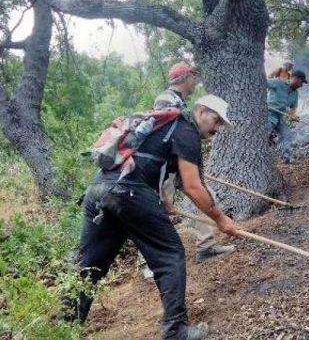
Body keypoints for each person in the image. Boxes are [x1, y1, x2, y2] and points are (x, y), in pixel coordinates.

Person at [77, 95, 239, 339]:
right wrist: (220, 219)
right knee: (170, 255)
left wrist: (164, 202)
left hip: (99, 190)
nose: (217, 129)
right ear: (202, 111)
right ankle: (176, 330)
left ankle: (62, 327)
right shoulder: (186, 131)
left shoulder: (164, 125)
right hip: (129, 193)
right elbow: (193, 186)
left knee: (88, 266)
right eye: (216, 121)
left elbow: (154, 163)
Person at [153, 62, 236, 264]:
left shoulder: (182, 103)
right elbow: (166, 133)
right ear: (184, 78)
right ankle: (148, 261)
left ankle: (206, 245)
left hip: (173, 163)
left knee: (208, 195)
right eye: (192, 77)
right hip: (159, 167)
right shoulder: (166, 98)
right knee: (154, 209)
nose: (194, 82)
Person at [266, 70, 308, 163]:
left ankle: (286, 157)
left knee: (287, 133)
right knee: (265, 132)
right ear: (296, 78)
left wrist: (294, 116)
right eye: (301, 82)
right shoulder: (278, 82)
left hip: (280, 117)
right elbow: (262, 83)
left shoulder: (295, 93)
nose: (301, 86)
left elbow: (293, 110)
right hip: (269, 113)